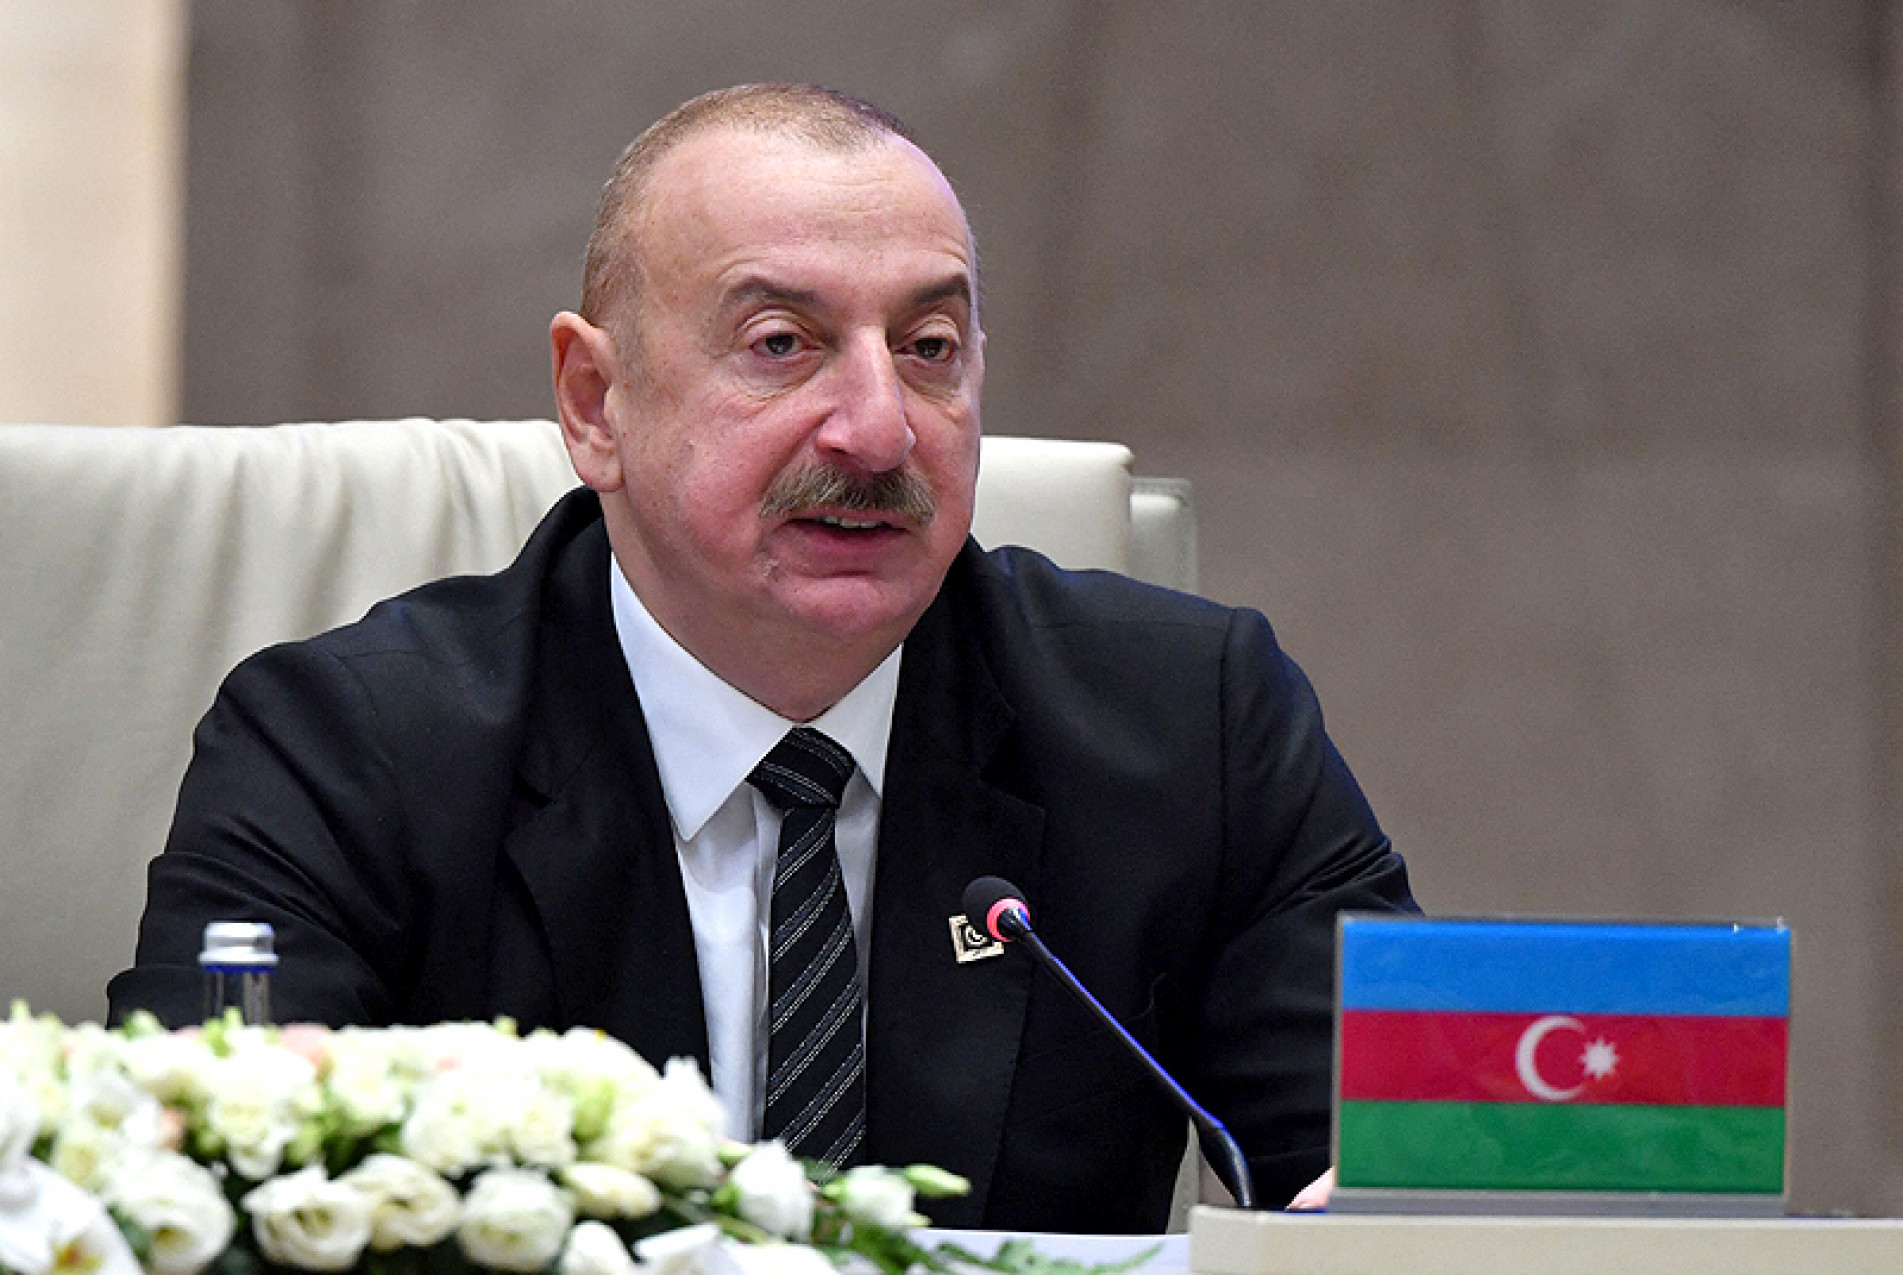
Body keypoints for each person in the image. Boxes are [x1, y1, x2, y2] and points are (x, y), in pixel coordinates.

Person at [110, 84, 1414, 1232]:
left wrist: (1391, 1202)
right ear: (593, 404)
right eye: (782, 344)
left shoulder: (1193, 723)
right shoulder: (343, 747)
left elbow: (1400, 1166)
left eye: (930, 349)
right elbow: (209, 1185)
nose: (878, 428)